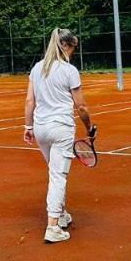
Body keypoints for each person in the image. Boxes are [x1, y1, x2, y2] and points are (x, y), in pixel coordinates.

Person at [23, 28, 94, 244]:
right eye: (72, 47)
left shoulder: (37, 69)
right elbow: (81, 106)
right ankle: (53, 227)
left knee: (55, 172)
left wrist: (28, 127)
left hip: (41, 129)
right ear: (65, 46)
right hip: (61, 128)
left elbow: (29, 102)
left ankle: (61, 215)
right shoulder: (69, 70)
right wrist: (89, 127)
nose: (73, 52)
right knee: (58, 176)